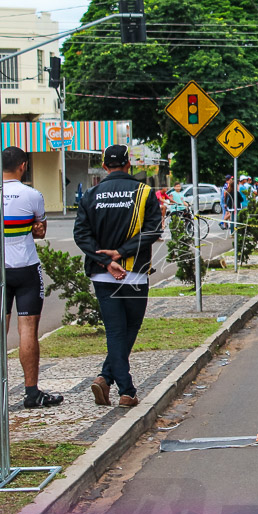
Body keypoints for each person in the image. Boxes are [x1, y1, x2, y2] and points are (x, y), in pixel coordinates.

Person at [74, 144, 161, 408]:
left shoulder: (90, 194)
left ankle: (105, 378)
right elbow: (153, 229)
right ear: (128, 164)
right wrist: (120, 253)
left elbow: (81, 234)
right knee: (129, 329)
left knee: (115, 331)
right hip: (134, 273)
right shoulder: (144, 192)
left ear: (104, 165)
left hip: (102, 275)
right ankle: (127, 391)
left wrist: (105, 260)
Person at [0, 146, 63, 409]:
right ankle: (31, 393)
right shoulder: (33, 195)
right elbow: (40, 231)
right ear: (23, 166)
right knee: (27, 329)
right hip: (25, 268)